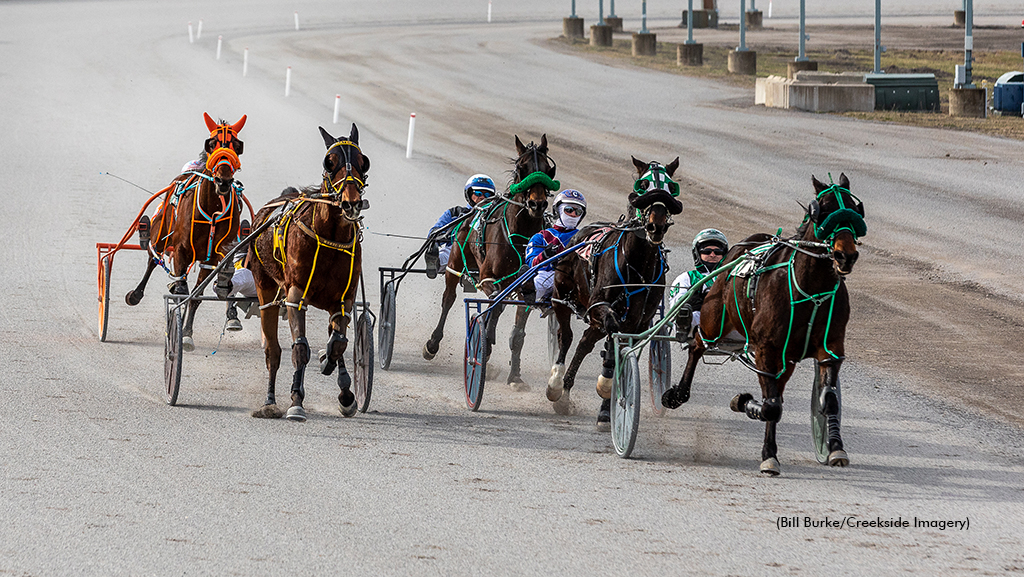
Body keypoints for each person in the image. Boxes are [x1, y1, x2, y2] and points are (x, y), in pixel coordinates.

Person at [524, 189, 587, 310]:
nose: (573, 214)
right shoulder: (541, 236)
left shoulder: (584, 237)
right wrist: (545, 255)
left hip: (576, 279)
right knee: (540, 282)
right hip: (549, 275)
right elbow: (531, 263)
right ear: (558, 210)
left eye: (578, 211)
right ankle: (529, 291)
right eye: (569, 210)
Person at [423, 174, 496, 278]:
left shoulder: (496, 216)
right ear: (469, 194)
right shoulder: (454, 213)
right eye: (478, 193)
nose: (483, 197)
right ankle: (435, 262)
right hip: (456, 250)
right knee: (443, 256)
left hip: (486, 253)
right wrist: (446, 236)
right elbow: (433, 232)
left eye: (487, 195)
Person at [667, 228, 729, 338]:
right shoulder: (687, 277)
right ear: (697, 253)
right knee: (685, 311)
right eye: (707, 251)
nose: (713, 255)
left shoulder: (731, 276)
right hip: (698, 320)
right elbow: (676, 304)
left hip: (728, 321)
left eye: (718, 252)